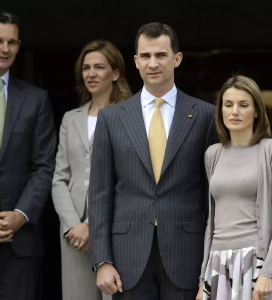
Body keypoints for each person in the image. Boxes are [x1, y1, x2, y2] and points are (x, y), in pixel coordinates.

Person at [88, 22, 218, 300]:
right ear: (135, 61)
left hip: (187, 253)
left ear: (177, 59)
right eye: (145, 56)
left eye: (161, 55)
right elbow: (99, 194)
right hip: (127, 257)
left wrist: (212, 258)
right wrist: (102, 260)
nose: (153, 63)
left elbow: (212, 193)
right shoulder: (111, 119)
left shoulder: (206, 115)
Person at [0, 9, 56, 300]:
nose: (5, 49)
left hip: (21, 239)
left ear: (19, 46)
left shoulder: (36, 99)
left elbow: (45, 165)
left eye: (12, 42)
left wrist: (20, 215)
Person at [52, 40, 132, 300]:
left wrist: (91, 225)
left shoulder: (130, 117)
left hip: (113, 227)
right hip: (73, 235)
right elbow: (60, 178)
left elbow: (128, 179)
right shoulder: (70, 117)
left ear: (116, 73)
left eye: (99, 67)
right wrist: (73, 225)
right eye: (86, 68)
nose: (91, 74)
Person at [196, 75, 272, 300]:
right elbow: (212, 220)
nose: (234, 111)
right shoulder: (213, 154)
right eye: (228, 105)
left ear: (257, 111)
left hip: (255, 260)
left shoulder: (268, 151)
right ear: (220, 110)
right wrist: (203, 280)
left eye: (243, 105)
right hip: (218, 262)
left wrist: (268, 271)